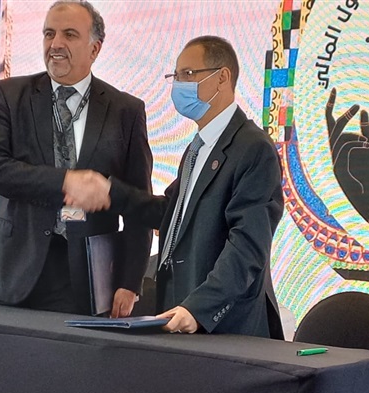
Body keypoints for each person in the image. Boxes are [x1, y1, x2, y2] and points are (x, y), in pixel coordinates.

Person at [94, 36, 284, 337]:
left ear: (222, 77)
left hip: (224, 328)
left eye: (188, 74)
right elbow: (173, 214)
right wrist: (108, 193)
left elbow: (248, 247)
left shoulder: (253, 149)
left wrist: (198, 308)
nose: (178, 85)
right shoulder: (198, 148)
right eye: (176, 76)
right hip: (179, 313)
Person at [0, 0, 153, 317]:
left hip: (85, 278)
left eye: (69, 34)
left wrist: (129, 281)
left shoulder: (125, 111)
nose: (55, 44)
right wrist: (65, 181)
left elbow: (138, 203)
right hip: (12, 273)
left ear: (94, 48)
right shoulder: (9, 96)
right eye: (49, 34)